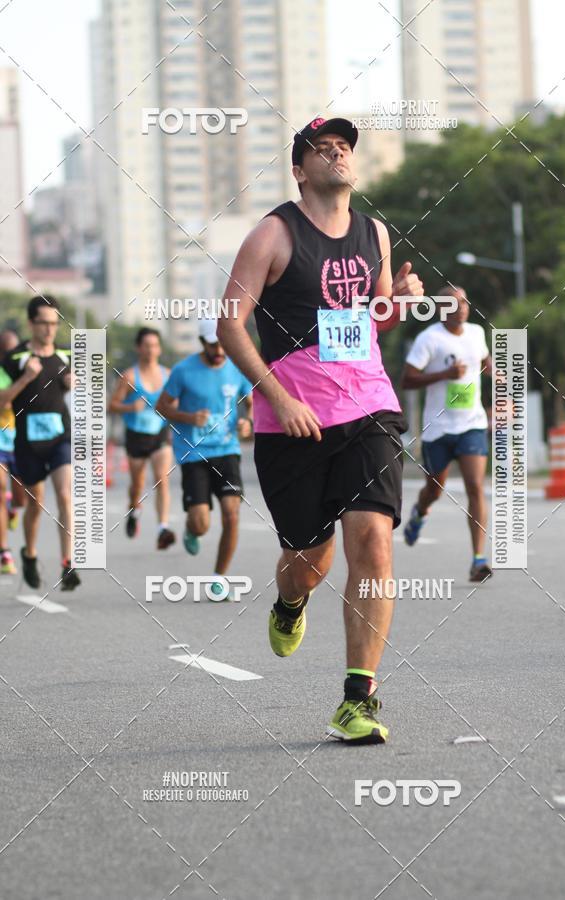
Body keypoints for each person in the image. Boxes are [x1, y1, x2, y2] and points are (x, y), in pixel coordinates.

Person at [217, 116, 424, 744]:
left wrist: (399, 302)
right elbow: (230, 325)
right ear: (300, 170)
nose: (336, 154)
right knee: (308, 560)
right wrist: (278, 399)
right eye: (321, 149)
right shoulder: (273, 235)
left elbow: (372, 318)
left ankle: (357, 699)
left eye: (343, 147)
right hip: (295, 421)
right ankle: (290, 600)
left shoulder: (375, 234)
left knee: (374, 543)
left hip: (368, 407)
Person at [400, 286, 493, 582]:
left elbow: (483, 361)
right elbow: (407, 380)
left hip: (472, 424)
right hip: (438, 429)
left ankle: (479, 559)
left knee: (475, 487)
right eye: (454, 303)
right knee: (434, 491)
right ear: (442, 309)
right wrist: (444, 375)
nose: (462, 306)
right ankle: (420, 511)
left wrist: (498, 377)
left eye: (465, 300)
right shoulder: (429, 339)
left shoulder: (477, 333)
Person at [156, 318, 253, 599]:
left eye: (223, 343)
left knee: (231, 515)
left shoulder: (237, 365)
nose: (220, 350)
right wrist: (188, 417)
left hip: (227, 450)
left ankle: (219, 578)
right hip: (193, 453)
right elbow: (162, 406)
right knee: (201, 523)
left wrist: (248, 423)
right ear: (202, 343)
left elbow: (252, 402)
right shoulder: (183, 371)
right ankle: (191, 530)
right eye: (214, 345)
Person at [0, 296, 80, 590]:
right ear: (31, 323)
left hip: (60, 437)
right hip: (28, 442)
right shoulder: (15, 359)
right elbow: (1, 401)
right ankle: (30, 555)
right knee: (36, 504)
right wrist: (25, 379)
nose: (49, 329)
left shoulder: (66, 355)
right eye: (44, 323)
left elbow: (88, 394)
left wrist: (76, 383)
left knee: (65, 495)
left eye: (54, 323)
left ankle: (67, 564)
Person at [108, 327, 175, 549]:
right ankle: (134, 509)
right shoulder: (129, 376)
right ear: (139, 348)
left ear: (159, 348)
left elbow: (176, 403)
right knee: (137, 484)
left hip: (160, 434)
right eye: (146, 345)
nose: (151, 350)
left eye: (155, 345)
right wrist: (131, 407)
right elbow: (112, 405)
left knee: (161, 479)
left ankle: (162, 527)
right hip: (136, 435)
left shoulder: (168, 375)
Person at [0, 330, 19, 574]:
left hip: (21, 440)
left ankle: (13, 506)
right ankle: (4, 550)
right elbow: (4, 401)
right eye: (7, 350)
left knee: (22, 497)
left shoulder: (26, 369)